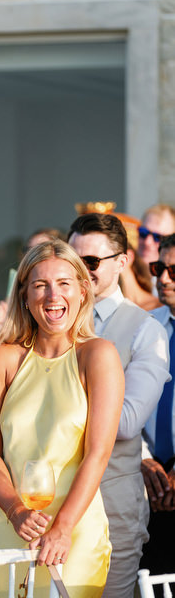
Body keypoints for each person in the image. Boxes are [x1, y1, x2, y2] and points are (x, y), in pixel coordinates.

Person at [0, 239, 124, 597]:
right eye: (40, 285)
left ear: (83, 290)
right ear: (24, 294)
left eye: (63, 283)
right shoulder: (3, 358)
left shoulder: (98, 355)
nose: (51, 295)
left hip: (74, 532)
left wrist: (63, 527)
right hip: (7, 526)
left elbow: (98, 453)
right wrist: (14, 512)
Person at [68, 213, 169, 598]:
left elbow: (126, 423)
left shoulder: (146, 330)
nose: (81, 271)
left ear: (122, 262)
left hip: (112, 506)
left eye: (91, 262)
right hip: (49, 502)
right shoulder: (51, 320)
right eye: (73, 260)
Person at [140, 233, 175, 592]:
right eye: (159, 268)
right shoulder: (142, 326)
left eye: (174, 271)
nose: (163, 278)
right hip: (147, 485)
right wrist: (143, 459)